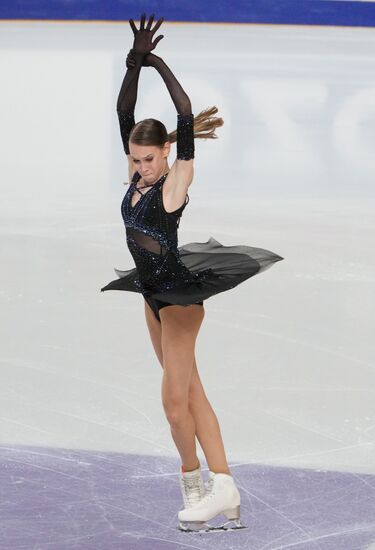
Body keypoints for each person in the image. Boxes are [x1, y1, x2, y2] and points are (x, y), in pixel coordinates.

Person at [100, 13, 284, 532]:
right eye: (135, 160)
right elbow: (122, 109)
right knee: (192, 394)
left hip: (179, 298)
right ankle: (223, 486)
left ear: (167, 153)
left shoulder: (174, 182)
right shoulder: (137, 174)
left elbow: (183, 113)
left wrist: (156, 61)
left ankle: (195, 483)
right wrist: (132, 64)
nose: (140, 168)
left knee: (174, 407)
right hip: (150, 294)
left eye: (148, 159)